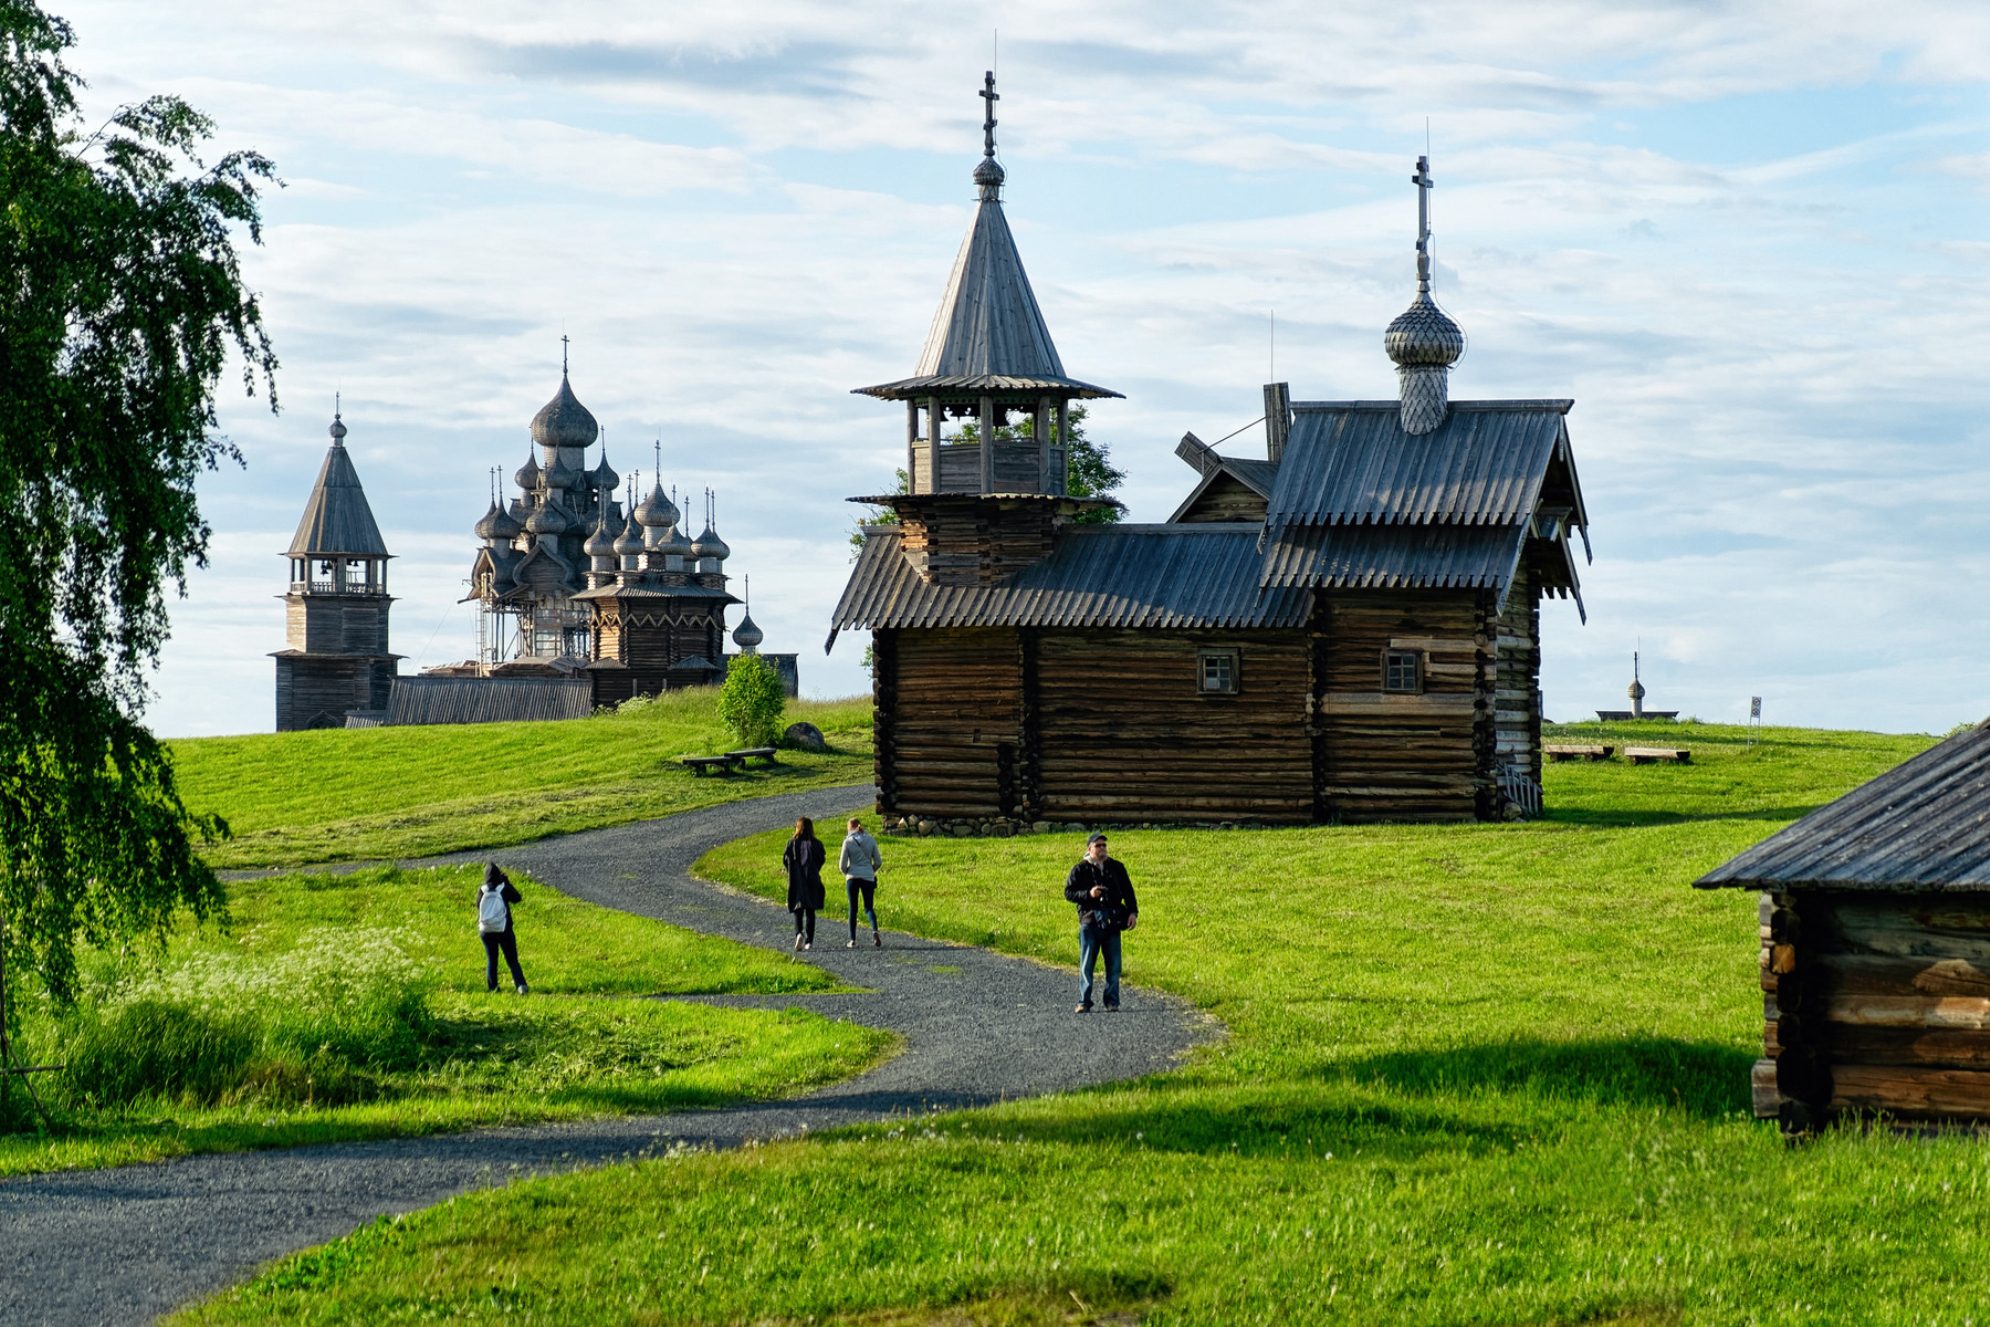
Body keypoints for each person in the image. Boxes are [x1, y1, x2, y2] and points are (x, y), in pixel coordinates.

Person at [1063, 832, 1138, 1013]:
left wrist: (1133, 912)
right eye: (1098, 845)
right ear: (1089, 848)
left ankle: (1112, 1002)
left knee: (1114, 966)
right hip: (1090, 921)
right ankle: (1084, 1001)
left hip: (1112, 920)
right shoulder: (1080, 869)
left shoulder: (1117, 867)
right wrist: (1089, 894)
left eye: (1104, 845)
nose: (1102, 848)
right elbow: (1069, 892)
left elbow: (1128, 892)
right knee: (1087, 964)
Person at [477, 862, 528, 994]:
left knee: (492, 959)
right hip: (504, 928)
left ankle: (493, 988)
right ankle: (520, 985)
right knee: (512, 960)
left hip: (486, 930)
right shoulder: (503, 888)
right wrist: (507, 882)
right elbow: (517, 898)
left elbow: (478, 906)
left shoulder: (482, 890)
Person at [783, 816, 827, 951]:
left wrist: (791, 870)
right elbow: (821, 859)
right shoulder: (816, 844)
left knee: (798, 909)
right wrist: (814, 869)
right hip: (812, 879)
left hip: (796, 880)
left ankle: (799, 933)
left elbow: (785, 859)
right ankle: (809, 941)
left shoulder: (792, 843)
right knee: (810, 911)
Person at [839, 816, 884, 948]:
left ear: (850, 828)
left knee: (853, 908)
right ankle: (875, 931)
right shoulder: (870, 840)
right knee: (869, 907)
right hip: (868, 877)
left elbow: (842, 865)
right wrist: (870, 870)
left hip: (852, 877)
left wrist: (848, 872)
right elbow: (878, 862)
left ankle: (852, 939)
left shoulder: (847, 842)